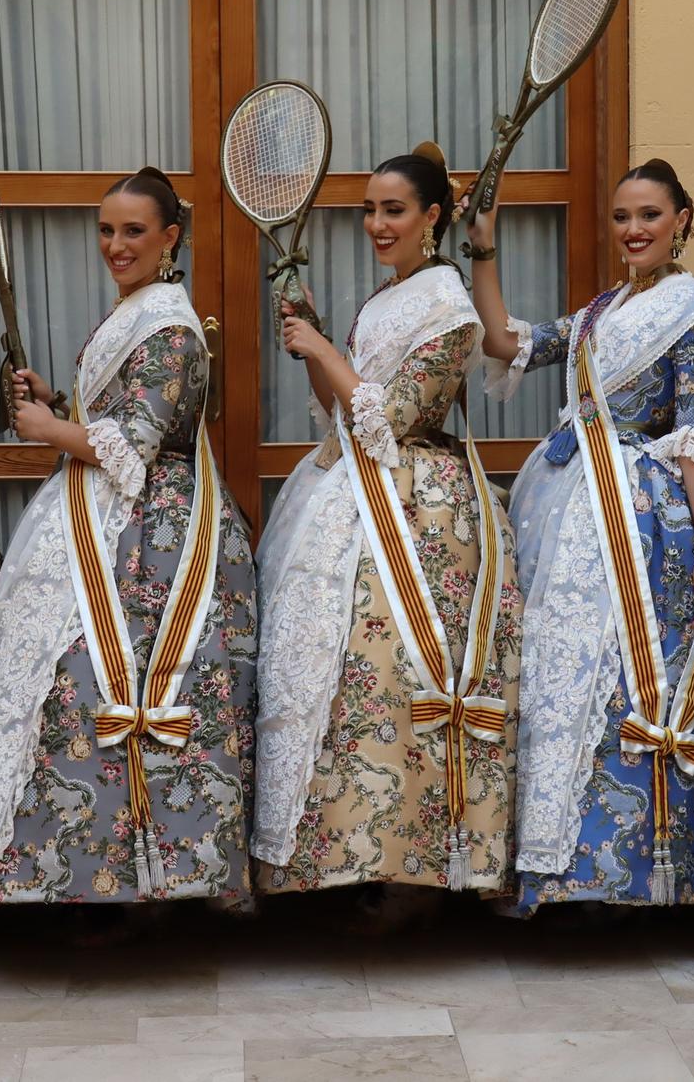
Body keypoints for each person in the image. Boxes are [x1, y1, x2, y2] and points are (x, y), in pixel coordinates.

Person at [0, 169, 256, 910]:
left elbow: (137, 441)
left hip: (155, 535)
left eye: (132, 231)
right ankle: (83, 877)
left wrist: (48, 430)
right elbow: (115, 415)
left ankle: (143, 882)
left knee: (113, 686)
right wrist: (60, 403)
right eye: (105, 229)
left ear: (170, 238)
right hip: (108, 511)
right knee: (65, 688)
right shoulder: (137, 312)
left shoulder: (170, 325)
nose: (115, 244)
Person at [252, 143, 523, 913]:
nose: (376, 223)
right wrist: (312, 344)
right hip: (345, 489)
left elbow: (395, 417)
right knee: (339, 679)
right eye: (369, 209)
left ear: (433, 217)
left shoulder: (452, 308)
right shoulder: (385, 299)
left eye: (393, 210)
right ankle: (337, 858)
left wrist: (324, 349)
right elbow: (344, 406)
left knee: (393, 675)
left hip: (417, 509)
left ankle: (413, 870)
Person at [468, 158, 694, 909]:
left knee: (616, 678)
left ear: (682, 218)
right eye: (622, 216)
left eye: (649, 214)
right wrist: (483, 250)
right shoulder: (598, 311)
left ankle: (617, 874)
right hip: (566, 502)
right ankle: (552, 866)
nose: (634, 229)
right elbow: (502, 341)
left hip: (643, 518)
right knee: (556, 675)